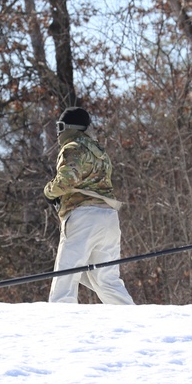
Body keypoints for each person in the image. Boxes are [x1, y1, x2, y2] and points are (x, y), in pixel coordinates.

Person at [44, 107, 135, 305]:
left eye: (60, 127)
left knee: (66, 276)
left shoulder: (73, 147)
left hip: (83, 217)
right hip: (109, 217)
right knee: (107, 279)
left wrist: (49, 192)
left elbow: (67, 179)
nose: (58, 133)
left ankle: (60, 324)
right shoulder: (100, 152)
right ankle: (132, 319)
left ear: (69, 127)